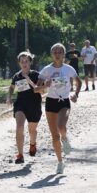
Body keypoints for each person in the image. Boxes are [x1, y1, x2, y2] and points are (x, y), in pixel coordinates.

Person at [35, 43, 81, 174]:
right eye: (55, 52)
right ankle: (60, 162)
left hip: (64, 101)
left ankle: (65, 138)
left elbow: (79, 82)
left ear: (63, 54)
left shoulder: (69, 69)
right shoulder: (46, 70)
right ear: (51, 54)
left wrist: (76, 95)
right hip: (50, 103)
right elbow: (36, 89)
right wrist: (45, 85)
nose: (57, 54)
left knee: (61, 126)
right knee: (54, 136)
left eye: (60, 52)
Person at [7, 51, 43, 164]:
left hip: (34, 104)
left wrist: (29, 81)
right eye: (22, 62)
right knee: (19, 127)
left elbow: (41, 90)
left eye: (26, 61)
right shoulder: (17, 76)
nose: (24, 63)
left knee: (32, 130)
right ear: (19, 63)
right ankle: (20, 155)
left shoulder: (36, 74)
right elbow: (12, 87)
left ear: (30, 62)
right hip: (21, 104)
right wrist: (9, 97)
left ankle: (32, 144)